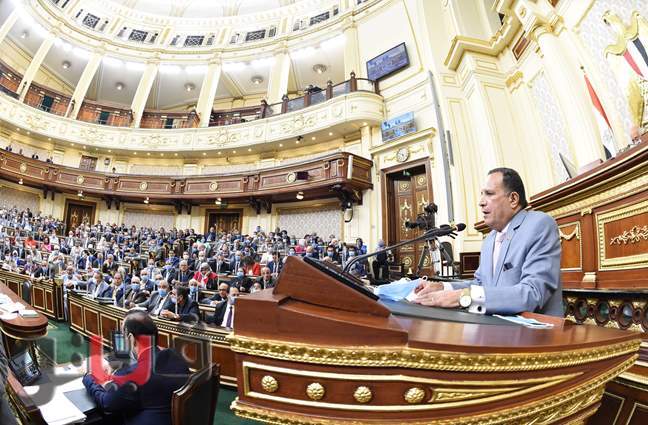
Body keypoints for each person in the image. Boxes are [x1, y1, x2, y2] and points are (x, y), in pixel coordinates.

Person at [414, 168, 562, 316]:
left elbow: (533, 293)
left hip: (532, 328)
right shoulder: (490, 238)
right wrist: (442, 287)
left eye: (489, 194)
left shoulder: (540, 224)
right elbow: (480, 285)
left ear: (513, 199)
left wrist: (461, 297)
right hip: (494, 325)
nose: (481, 202)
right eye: (482, 194)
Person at [82, 311, 190, 425]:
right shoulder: (175, 356)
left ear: (131, 338)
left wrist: (89, 377)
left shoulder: (132, 375)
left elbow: (106, 403)